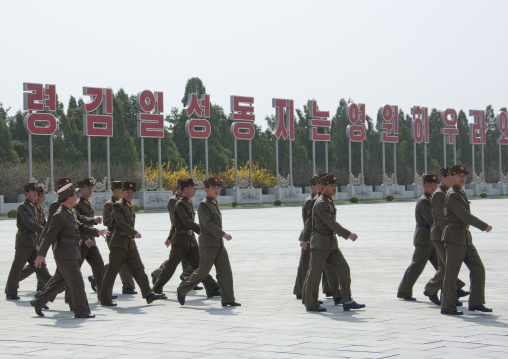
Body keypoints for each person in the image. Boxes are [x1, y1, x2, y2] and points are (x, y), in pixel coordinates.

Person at [30, 183, 108, 318]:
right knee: (77, 283)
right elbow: (49, 236)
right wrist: (41, 254)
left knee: (59, 281)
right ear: (69, 198)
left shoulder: (70, 212)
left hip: (71, 253)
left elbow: (80, 227)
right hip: (64, 254)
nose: (77, 197)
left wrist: (97, 231)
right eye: (75, 195)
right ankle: (82, 311)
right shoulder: (59, 215)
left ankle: (38, 302)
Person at [303, 174, 365, 312]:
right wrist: (348, 235)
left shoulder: (328, 201)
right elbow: (331, 223)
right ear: (323, 187)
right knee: (315, 273)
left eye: (335, 186)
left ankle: (347, 299)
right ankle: (310, 303)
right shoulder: (320, 204)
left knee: (344, 268)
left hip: (330, 244)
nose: (334, 188)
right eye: (331, 186)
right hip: (320, 244)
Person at [151, 178, 220, 298]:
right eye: (192, 188)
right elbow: (185, 221)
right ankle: (155, 289)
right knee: (170, 267)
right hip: (180, 241)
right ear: (185, 189)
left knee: (200, 265)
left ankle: (212, 288)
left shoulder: (188, 202)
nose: (195, 190)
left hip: (190, 241)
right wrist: (202, 231)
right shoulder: (180, 203)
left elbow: (175, 223)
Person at [177, 177, 240, 307]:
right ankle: (182, 288)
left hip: (218, 244)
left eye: (218, 188)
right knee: (203, 272)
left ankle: (228, 299)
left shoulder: (213, 204)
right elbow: (207, 224)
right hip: (208, 244)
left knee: (225, 271)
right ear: (206, 190)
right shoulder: (204, 205)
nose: (217, 190)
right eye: (214, 188)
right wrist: (223, 234)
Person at [99, 181, 164, 307]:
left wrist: (132, 235)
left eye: (132, 192)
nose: (130, 194)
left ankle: (148, 294)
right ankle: (105, 298)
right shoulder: (117, 206)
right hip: (118, 243)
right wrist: (134, 232)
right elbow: (121, 222)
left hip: (130, 244)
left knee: (139, 269)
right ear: (122, 192)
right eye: (127, 192)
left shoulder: (130, 206)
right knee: (112, 271)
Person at [440, 164, 493, 315]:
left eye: (464, 176)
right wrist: (483, 226)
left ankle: (476, 302)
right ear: (451, 177)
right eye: (459, 176)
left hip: (464, 237)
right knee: (451, 273)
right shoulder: (452, 194)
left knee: (478, 269)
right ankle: (447, 306)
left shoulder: (460, 192)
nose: (462, 178)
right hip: (454, 238)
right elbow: (464, 215)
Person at [423, 167, 469, 305]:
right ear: (443, 179)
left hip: (445, 235)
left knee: (445, 266)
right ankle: (434, 290)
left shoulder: (448, 192)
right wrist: (446, 235)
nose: (452, 180)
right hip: (440, 235)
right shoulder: (439, 194)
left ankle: (448, 293)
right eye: (449, 178)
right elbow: (441, 218)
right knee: (448, 266)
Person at [5, 183, 52, 300]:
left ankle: (53, 285)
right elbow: (29, 223)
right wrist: (44, 231)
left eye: (36, 191)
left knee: (40, 265)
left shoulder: (34, 207)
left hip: (32, 241)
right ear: (26, 194)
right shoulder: (23, 207)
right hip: (24, 241)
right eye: (32, 191)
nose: (35, 193)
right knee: (18, 267)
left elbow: (41, 224)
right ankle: (11, 291)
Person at [151, 179, 200, 290]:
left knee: (186, 261)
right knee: (173, 263)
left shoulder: (187, 201)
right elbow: (177, 221)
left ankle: (189, 280)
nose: (194, 190)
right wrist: (170, 236)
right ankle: (158, 275)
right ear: (181, 188)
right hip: (180, 234)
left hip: (187, 235)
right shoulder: (175, 201)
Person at [397, 174, 439, 301]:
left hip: (430, 239)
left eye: (434, 185)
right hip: (424, 239)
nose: (432, 187)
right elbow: (432, 220)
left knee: (442, 265)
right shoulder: (424, 201)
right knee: (417, 266)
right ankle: (403, 290)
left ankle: (456, 287)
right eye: (430, 185)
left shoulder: (431, 199)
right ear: (424, 186)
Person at [101, 180, 137, 295]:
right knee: (123, 260)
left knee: (118, 261)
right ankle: (128, 286)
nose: (123, 193)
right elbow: (107, 221)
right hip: (114, 235)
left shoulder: (125, 204)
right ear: (115, 191)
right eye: (122, 190)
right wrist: (118, 221)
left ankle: (101, 274)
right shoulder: (109, 204)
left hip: (126, 235)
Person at [74, 178, 105, 300]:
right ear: (81, 190)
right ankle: (69, 295)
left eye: (91, 188)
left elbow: (88, 223)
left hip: (91, 241)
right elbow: (78, 222)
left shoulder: (87, 203)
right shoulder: (77, 204)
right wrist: (85, 238)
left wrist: (94, 221)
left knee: (99, 266)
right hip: (82, 242)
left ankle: (103, 295)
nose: (90, 190)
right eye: (88, 188)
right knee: (74, 270)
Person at [18, 185, 51, 292]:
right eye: (43, 194)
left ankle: (42, 286)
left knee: (37, 264)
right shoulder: (29, 208)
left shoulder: (39, 209)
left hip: (38, 240)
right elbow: (32, 226)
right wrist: (38, 243)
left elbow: (44, 225)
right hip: (32, 240)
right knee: (37, 263)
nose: (44, 197)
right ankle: (44, 286)